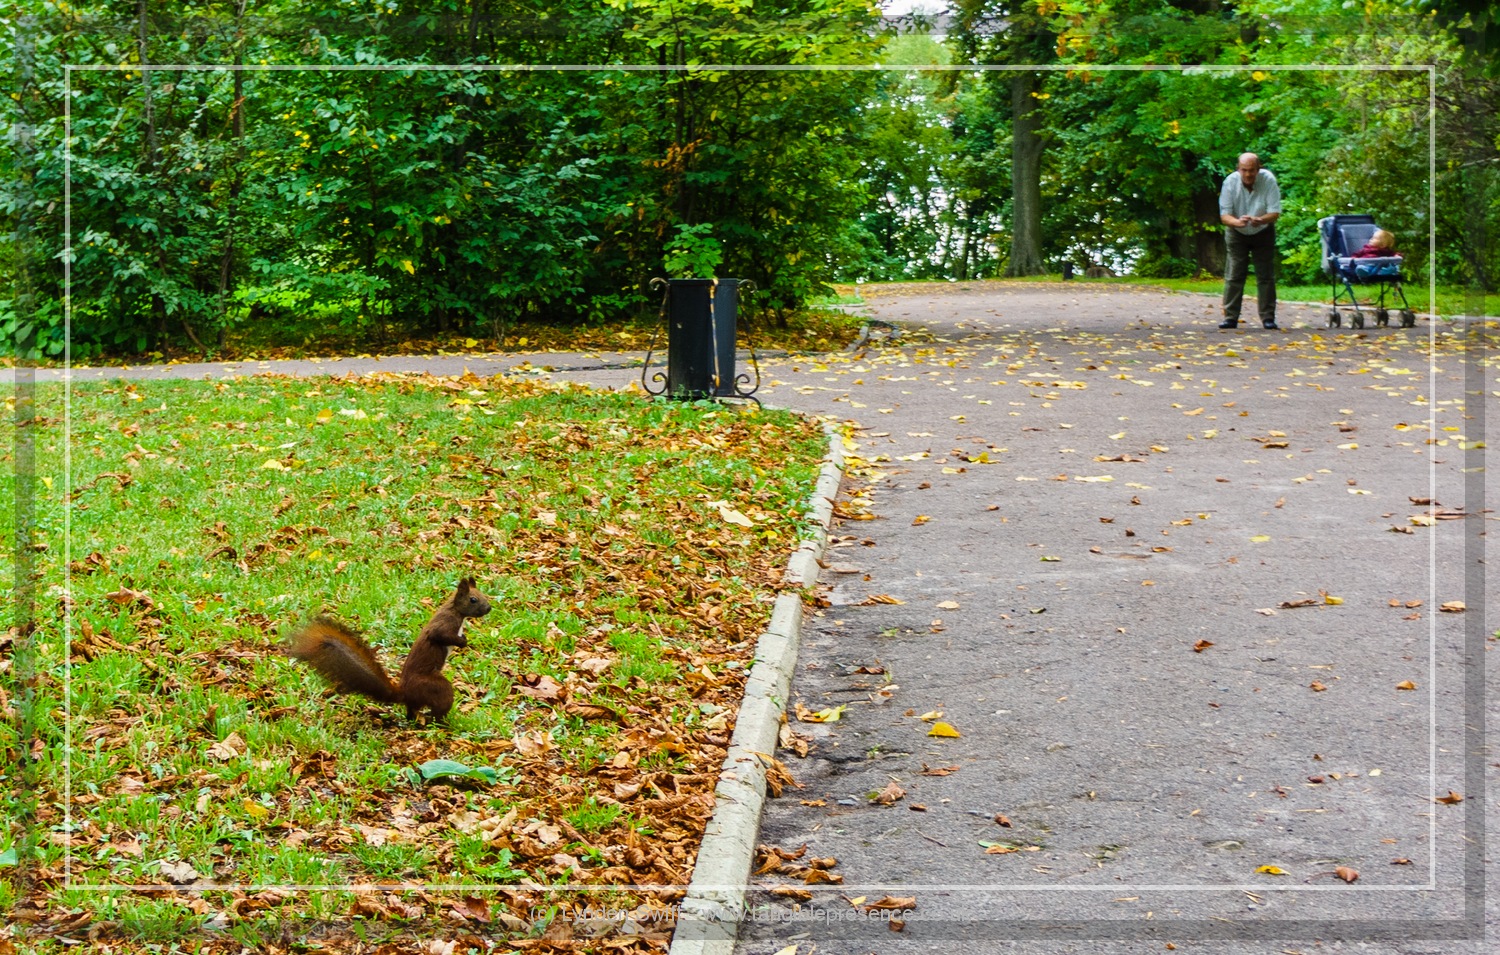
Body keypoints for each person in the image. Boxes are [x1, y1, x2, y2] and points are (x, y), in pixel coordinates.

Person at [1217, 152, 1281, 330]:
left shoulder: (1268, 180)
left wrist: (1261, 219)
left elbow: (1274, 212)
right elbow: (1224, 216)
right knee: (1235, 274)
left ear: (1258, 169)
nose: (1248, 174)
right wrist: (1238, 222)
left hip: (1263, 230)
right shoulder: (1230, 183)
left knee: (1266, 275)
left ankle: (1268, 317)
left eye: (1252, 170)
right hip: (1236, 232)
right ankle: (1230, 317)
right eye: (1244, 170)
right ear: (1238, 169)